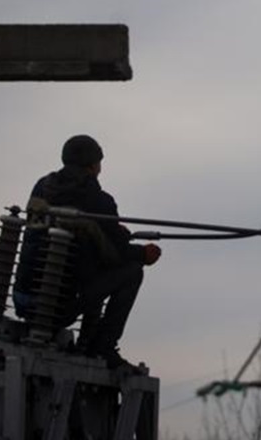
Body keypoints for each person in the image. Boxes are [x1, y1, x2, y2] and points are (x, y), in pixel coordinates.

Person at [13, 134, 161, 369]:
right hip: (56, 307)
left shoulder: (42, 186)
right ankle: (102, 348)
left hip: (23, 298)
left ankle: (91, 342)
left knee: (88, 257)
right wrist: (143, 254)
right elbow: (116, 254)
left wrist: (112, 231)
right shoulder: (99, 200)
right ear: (94, 166)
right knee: (132, 271)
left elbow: (83, 231)